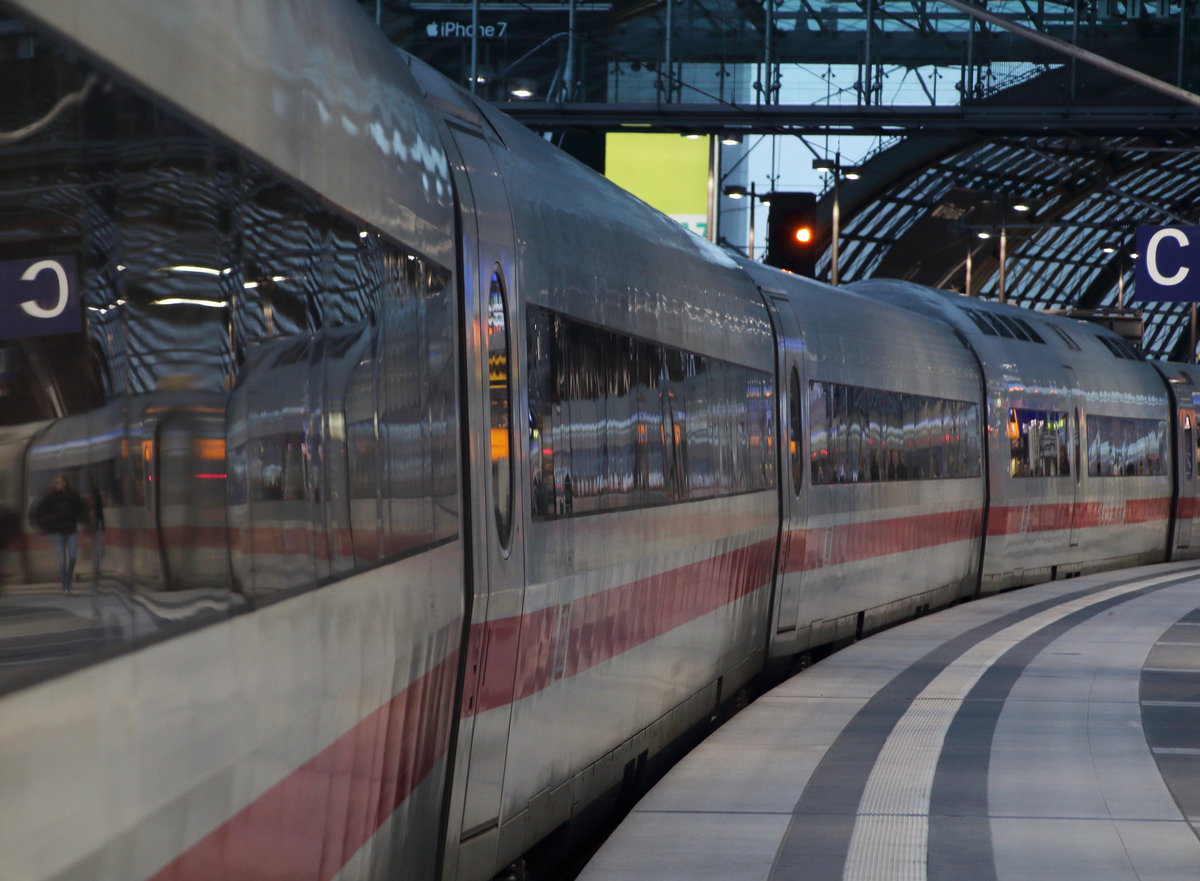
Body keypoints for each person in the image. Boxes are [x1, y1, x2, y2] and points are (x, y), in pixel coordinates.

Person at [33, 474, 88, 594]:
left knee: (73, 556)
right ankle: (65, 586)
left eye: (59, 482)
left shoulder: (73, 495)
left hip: (71, 530)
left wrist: (79, 519)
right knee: (62, 560)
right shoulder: (51, 497)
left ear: (64, 483)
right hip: (58, 532)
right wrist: (48, 524)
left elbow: (81, 509)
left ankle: (68, 580)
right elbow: (40, 511)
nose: (56, 484)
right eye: (55, 482)